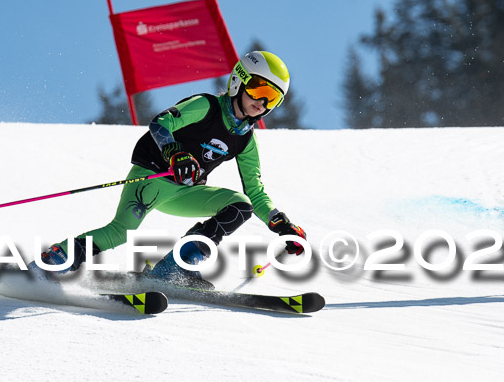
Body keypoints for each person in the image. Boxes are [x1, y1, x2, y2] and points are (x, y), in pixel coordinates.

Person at [36, 51, 306, 287]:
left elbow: (256, 192)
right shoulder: (207, 106)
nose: (263, 102)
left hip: (184, 193)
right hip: (151, 178)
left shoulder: (245, 140)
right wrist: (174, 153)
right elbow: (160, 123)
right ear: (238, 80)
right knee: (120, 232)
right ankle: (55, 259)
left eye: (273, 97)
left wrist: (280, 224)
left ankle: (176, 266)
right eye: (259, 89)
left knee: (241, 206)